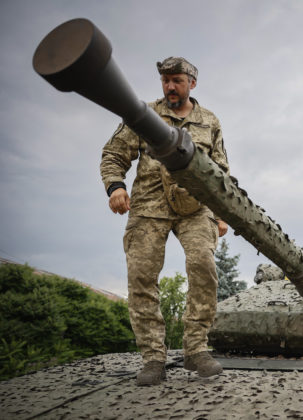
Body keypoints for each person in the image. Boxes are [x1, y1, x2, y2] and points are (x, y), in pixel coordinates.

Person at [100, 57, 229, 386]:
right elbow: (114, 153)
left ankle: (196, 349)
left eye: (177, 80)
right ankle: (153, 358)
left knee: (203, 266)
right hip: (148, 204)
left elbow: (221, 173)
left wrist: (222, 213)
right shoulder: (143, 115)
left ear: (191, 84)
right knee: (141, 277)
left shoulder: (209, 122)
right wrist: (116, 187)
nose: (170, 86)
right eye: (166, 80)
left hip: (195, 206)